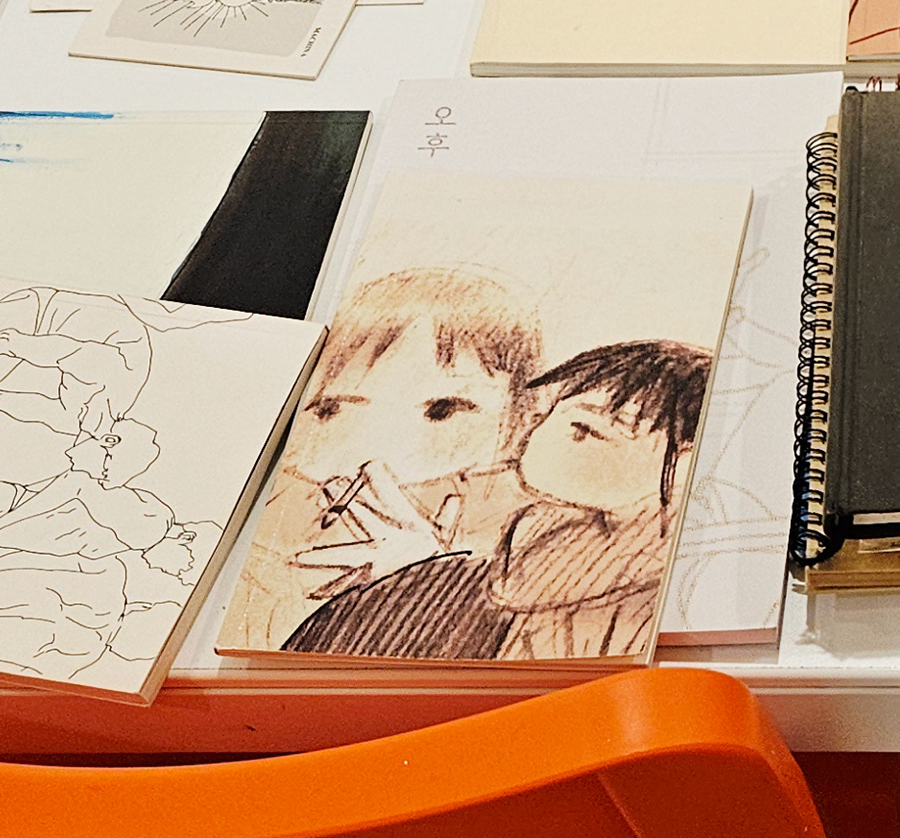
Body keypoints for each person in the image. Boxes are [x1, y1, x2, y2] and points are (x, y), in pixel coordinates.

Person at [287, 339, 713, 661]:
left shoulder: (653, 586)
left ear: (685, 462)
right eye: (544, 416)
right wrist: (426, 570)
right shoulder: (537, 540)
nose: (534, 435)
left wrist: (432, 575)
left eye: (585, 430)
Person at [249, 264, 543, 635]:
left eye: (443, 410)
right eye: (331, 409)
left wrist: (428, 578)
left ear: (523, 422)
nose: (382, 450)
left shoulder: (523, 529)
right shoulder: (272, 525)